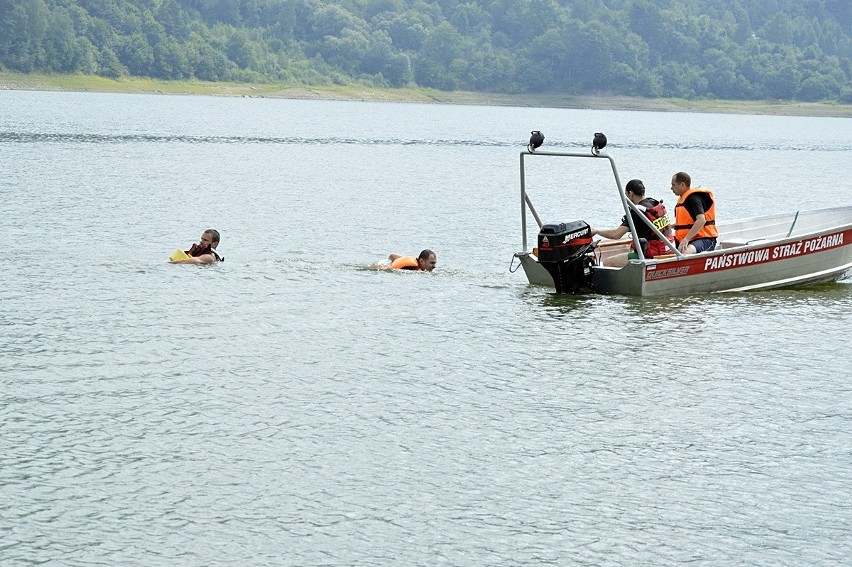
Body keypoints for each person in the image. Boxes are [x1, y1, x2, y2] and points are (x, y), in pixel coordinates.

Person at [590, 179, 675, 267]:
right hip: (668, 250)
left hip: (651, 255)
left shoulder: (637, 211)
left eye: (626, 195)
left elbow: (616, 235)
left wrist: (596, 231)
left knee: (608, 262)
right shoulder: (655, 204)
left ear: (631, 193)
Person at [670, 172, 718, 254]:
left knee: (685, 251)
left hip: (704, 239)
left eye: (673, 185)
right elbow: (688, 222)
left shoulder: (693, 199)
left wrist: (686, 239)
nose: (671, 188)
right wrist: (671, 226)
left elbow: (701, 220)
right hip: (689, 239)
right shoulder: (682, 200)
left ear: (682, 184)